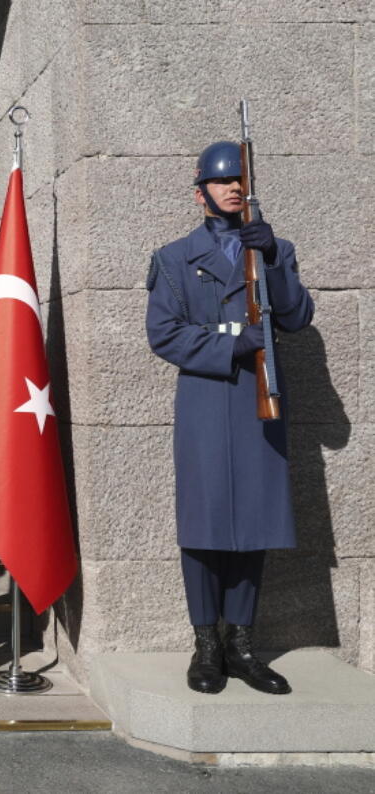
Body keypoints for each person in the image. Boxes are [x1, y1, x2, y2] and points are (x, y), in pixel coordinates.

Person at [145, 141, 314, 695]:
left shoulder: (274, 247)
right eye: (222, 182)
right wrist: (230, 344)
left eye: (239, 181)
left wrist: (270, 261)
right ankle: (207, 645)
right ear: (201, 193)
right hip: (206, 401)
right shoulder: (174, 258)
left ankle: (242, 644)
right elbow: (163, 333)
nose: (233, 189)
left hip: (258, 403)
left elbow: (294, 315)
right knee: (204, 526)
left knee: (256, 524)